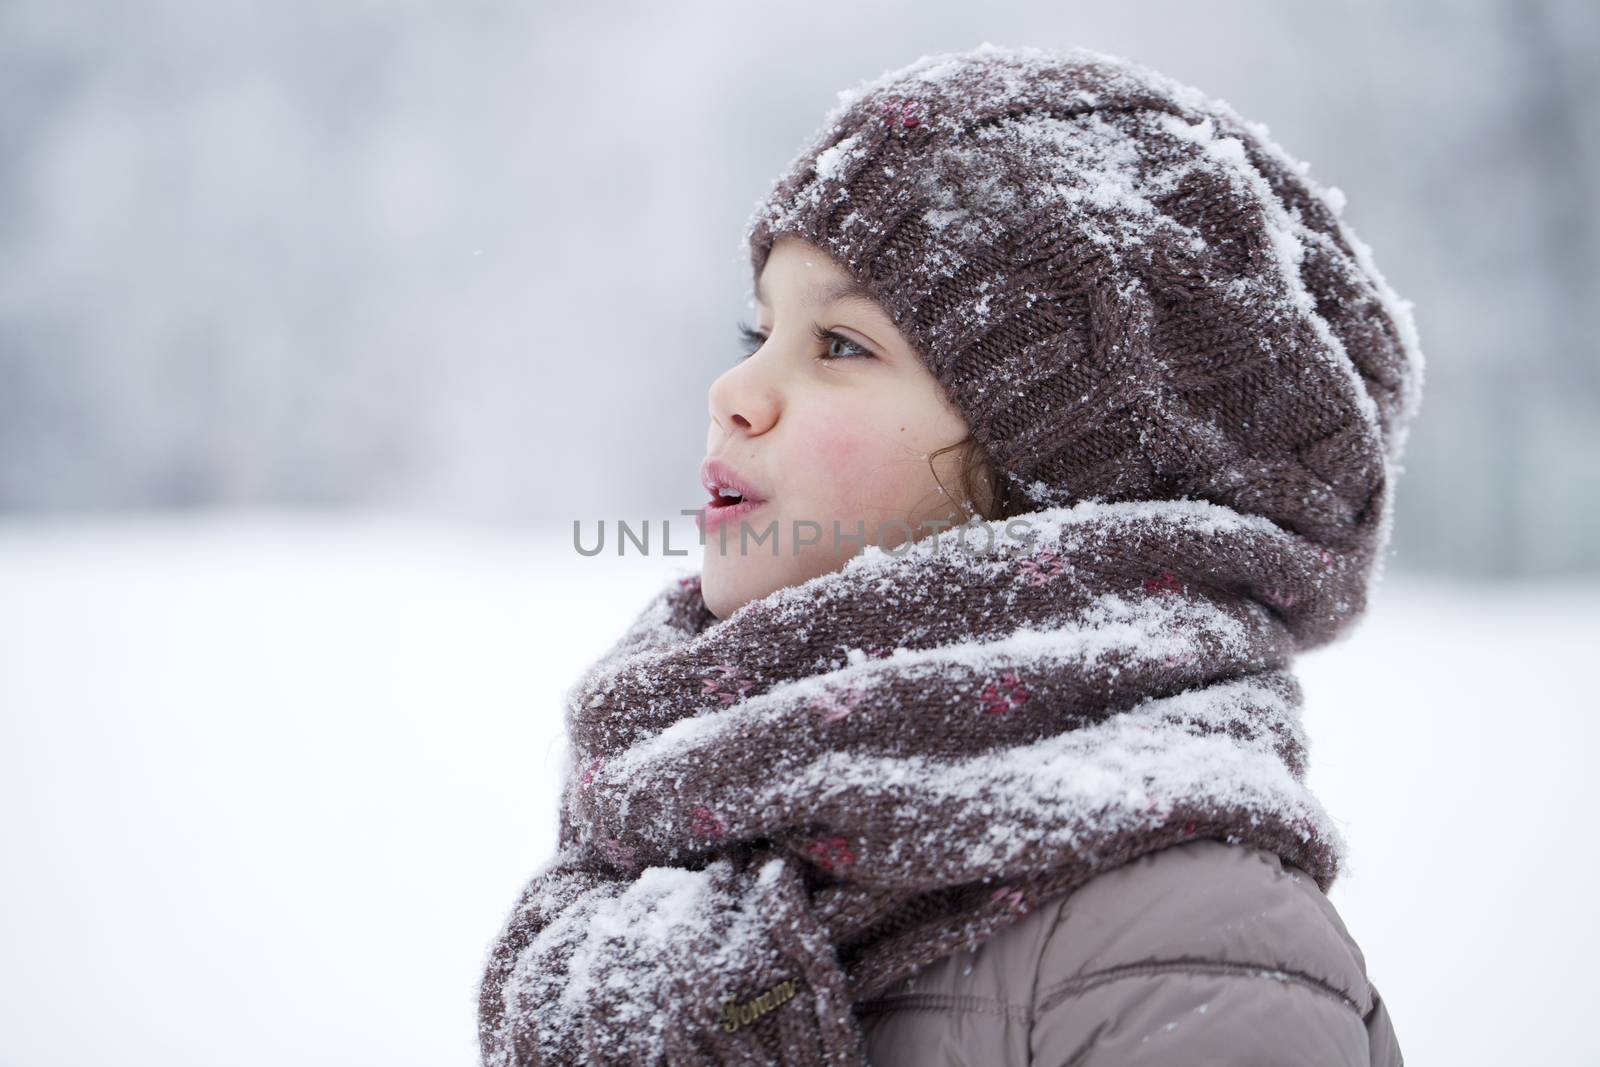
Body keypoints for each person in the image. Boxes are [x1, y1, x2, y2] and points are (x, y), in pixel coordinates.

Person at [479, 43, 1422, 1066]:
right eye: (756, 330)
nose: (733, 389)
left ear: (1064, 481)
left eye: (840, 344)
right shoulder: (689, 826)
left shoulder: (1185, 938)